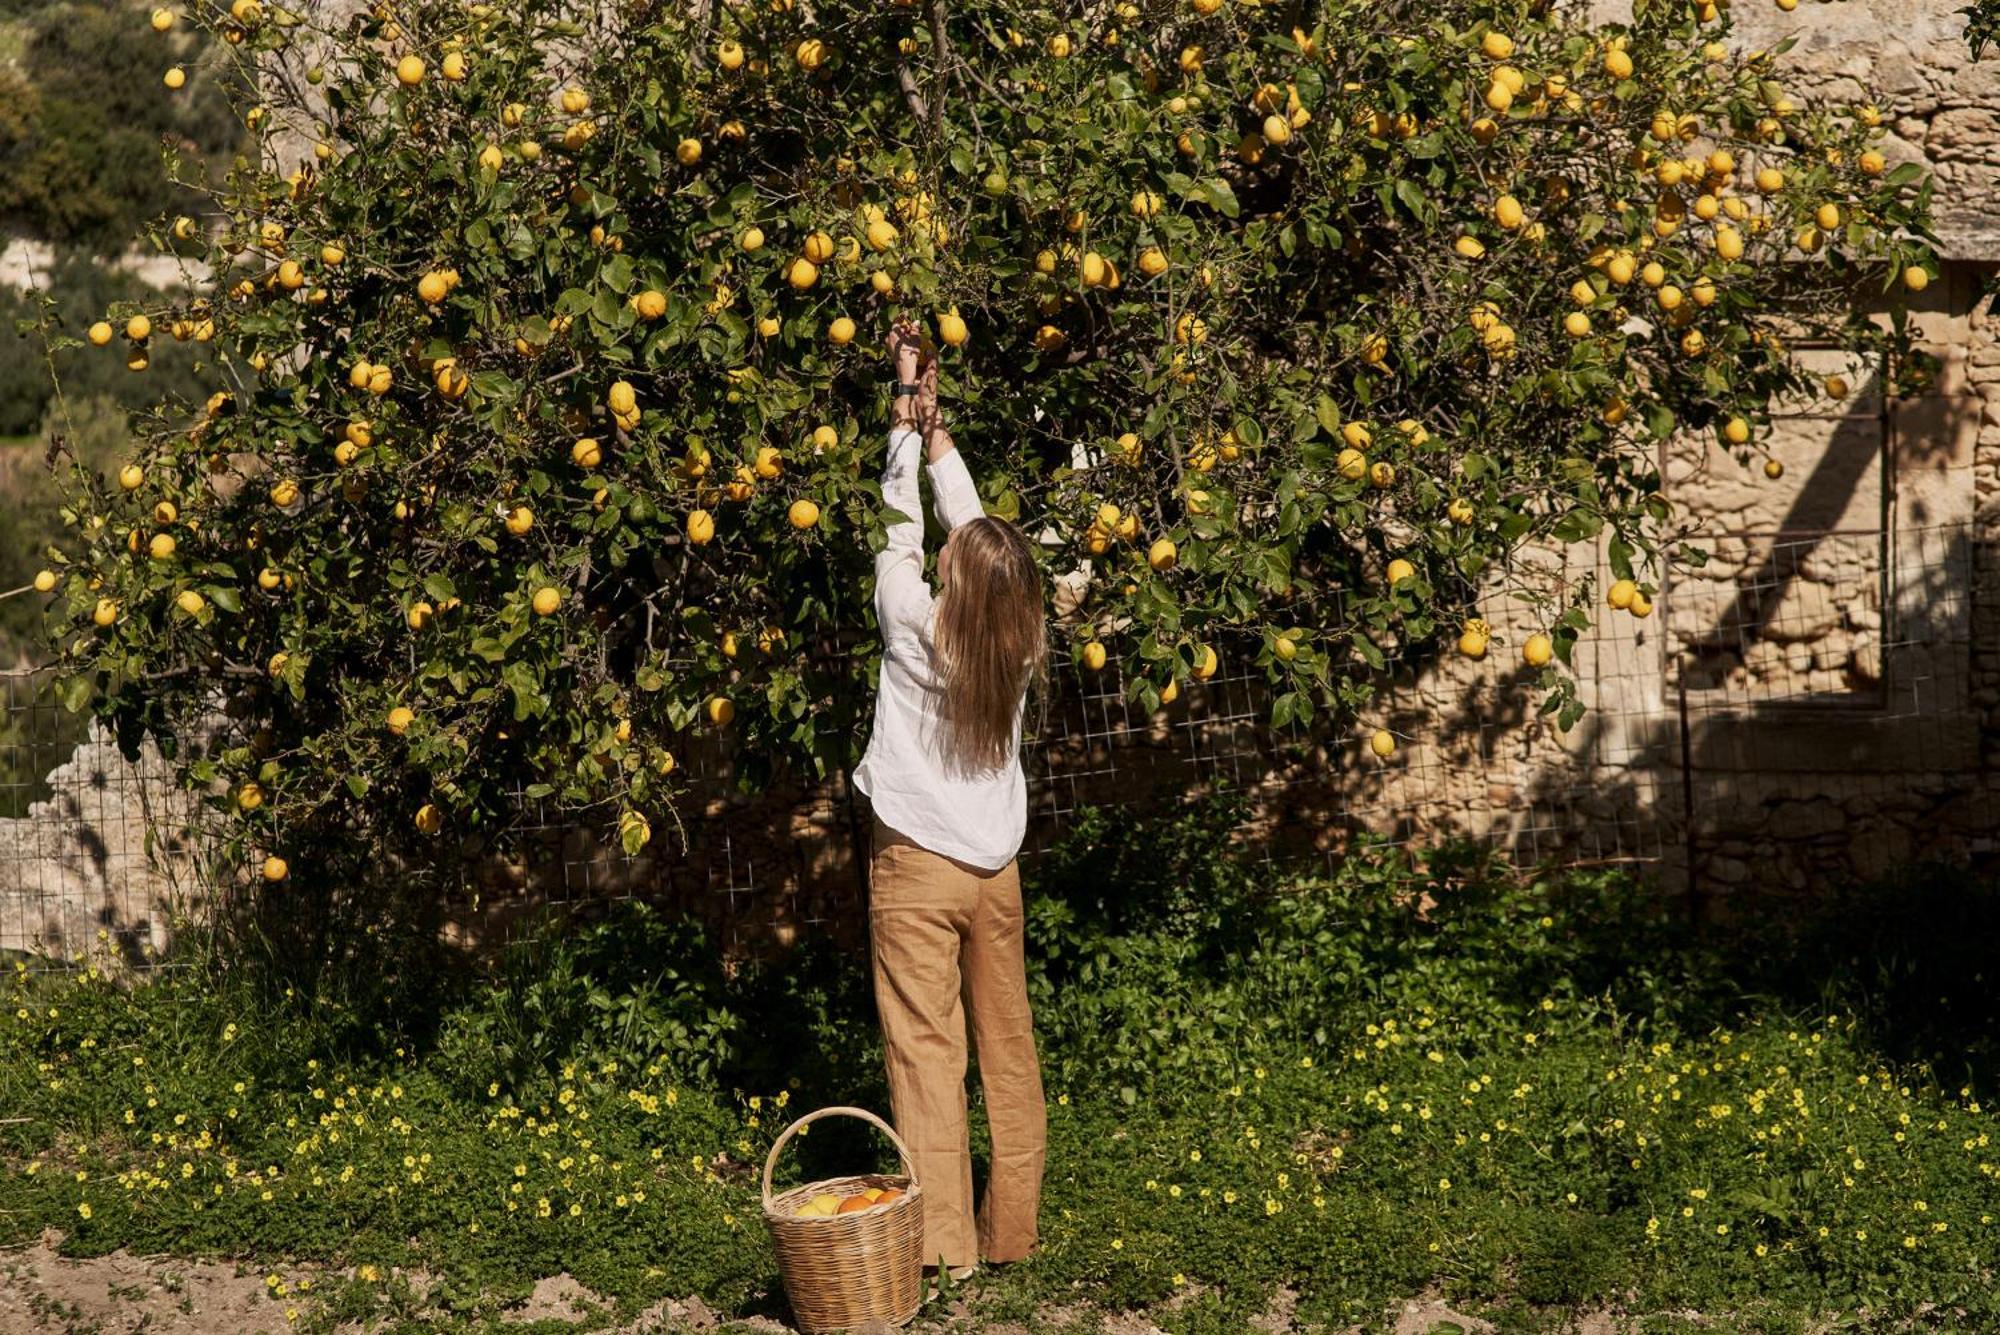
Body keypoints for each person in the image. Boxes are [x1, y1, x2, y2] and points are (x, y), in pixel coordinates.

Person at [850, 320, 1048, 1285]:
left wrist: (902, 431)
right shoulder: (1015, 648)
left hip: (919, 864)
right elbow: (972, 538)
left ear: (952, 586)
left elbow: (901, 530)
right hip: (995, 871)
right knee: (1005, 1047)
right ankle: (1011, 1228)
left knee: (928, 1052)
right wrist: (939, 434)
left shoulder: (909, 623)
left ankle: (945, 1252)